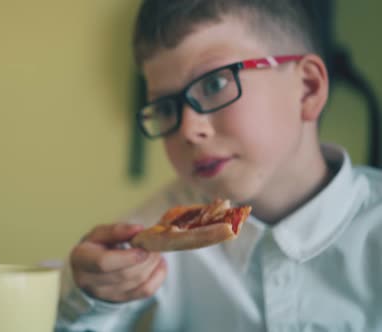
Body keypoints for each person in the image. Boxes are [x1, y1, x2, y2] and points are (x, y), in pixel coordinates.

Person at [55, 0, 382, 331]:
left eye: (214, 84)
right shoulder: (154, 232)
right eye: (166, 108)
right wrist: (91, 294)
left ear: (307, 89)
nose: (188, 129)